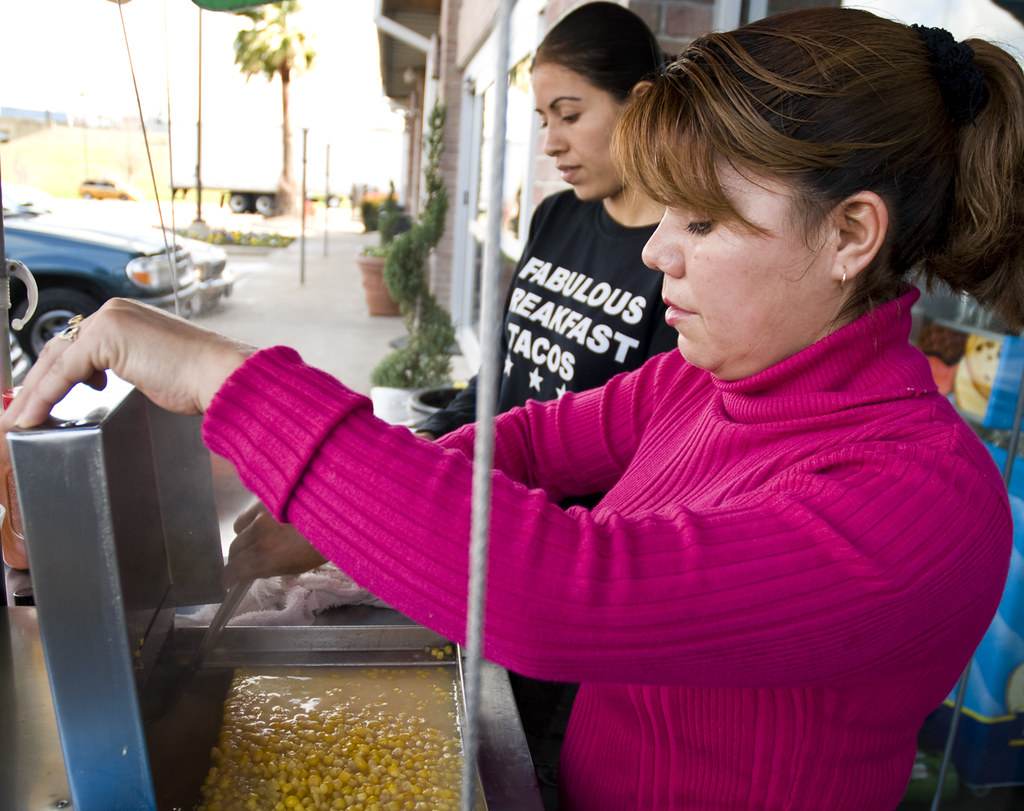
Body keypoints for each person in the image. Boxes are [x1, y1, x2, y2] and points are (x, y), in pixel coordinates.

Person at [6, 7, 1022, 810]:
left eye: (704, 220)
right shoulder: (718, 375)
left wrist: (231, 380)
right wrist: (334, 515)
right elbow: (533, 441)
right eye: (665, 209)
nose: (658, 250)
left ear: (850, 235)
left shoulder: (914, 500)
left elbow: (564, 592)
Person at [231, 6, 678, 802]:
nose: (552, 142)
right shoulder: (558, 217)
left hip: (550, 573)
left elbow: (644, 466)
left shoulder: (678, 259)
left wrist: (388, 499)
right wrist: (397, 452)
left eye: (570, 114)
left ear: (640, 104)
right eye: (542, 119)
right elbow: (499, 382)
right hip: (470, 517)